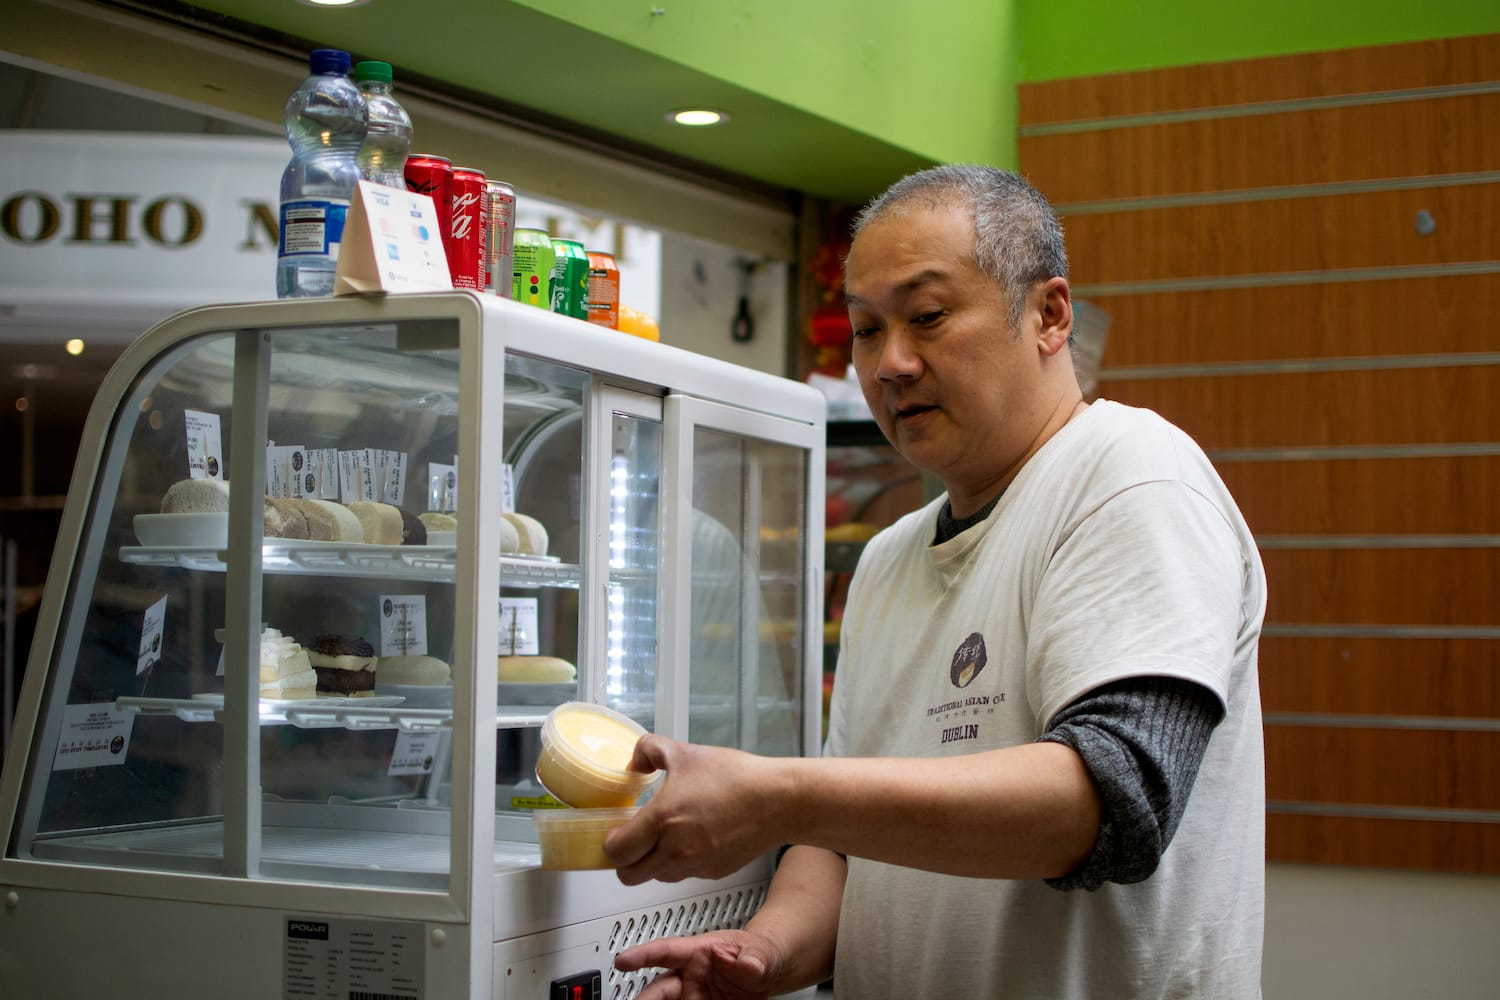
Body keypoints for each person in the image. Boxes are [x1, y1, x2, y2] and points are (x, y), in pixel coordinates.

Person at [604, 164, 1267, 999]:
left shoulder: (1131, 476)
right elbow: (840, 845)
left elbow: (1112, 801)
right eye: (866, 330)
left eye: (926, 317)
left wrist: (781, 795)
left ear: (1048, 314)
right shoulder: (887, 559)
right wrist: (765, 952)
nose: (891, 364)